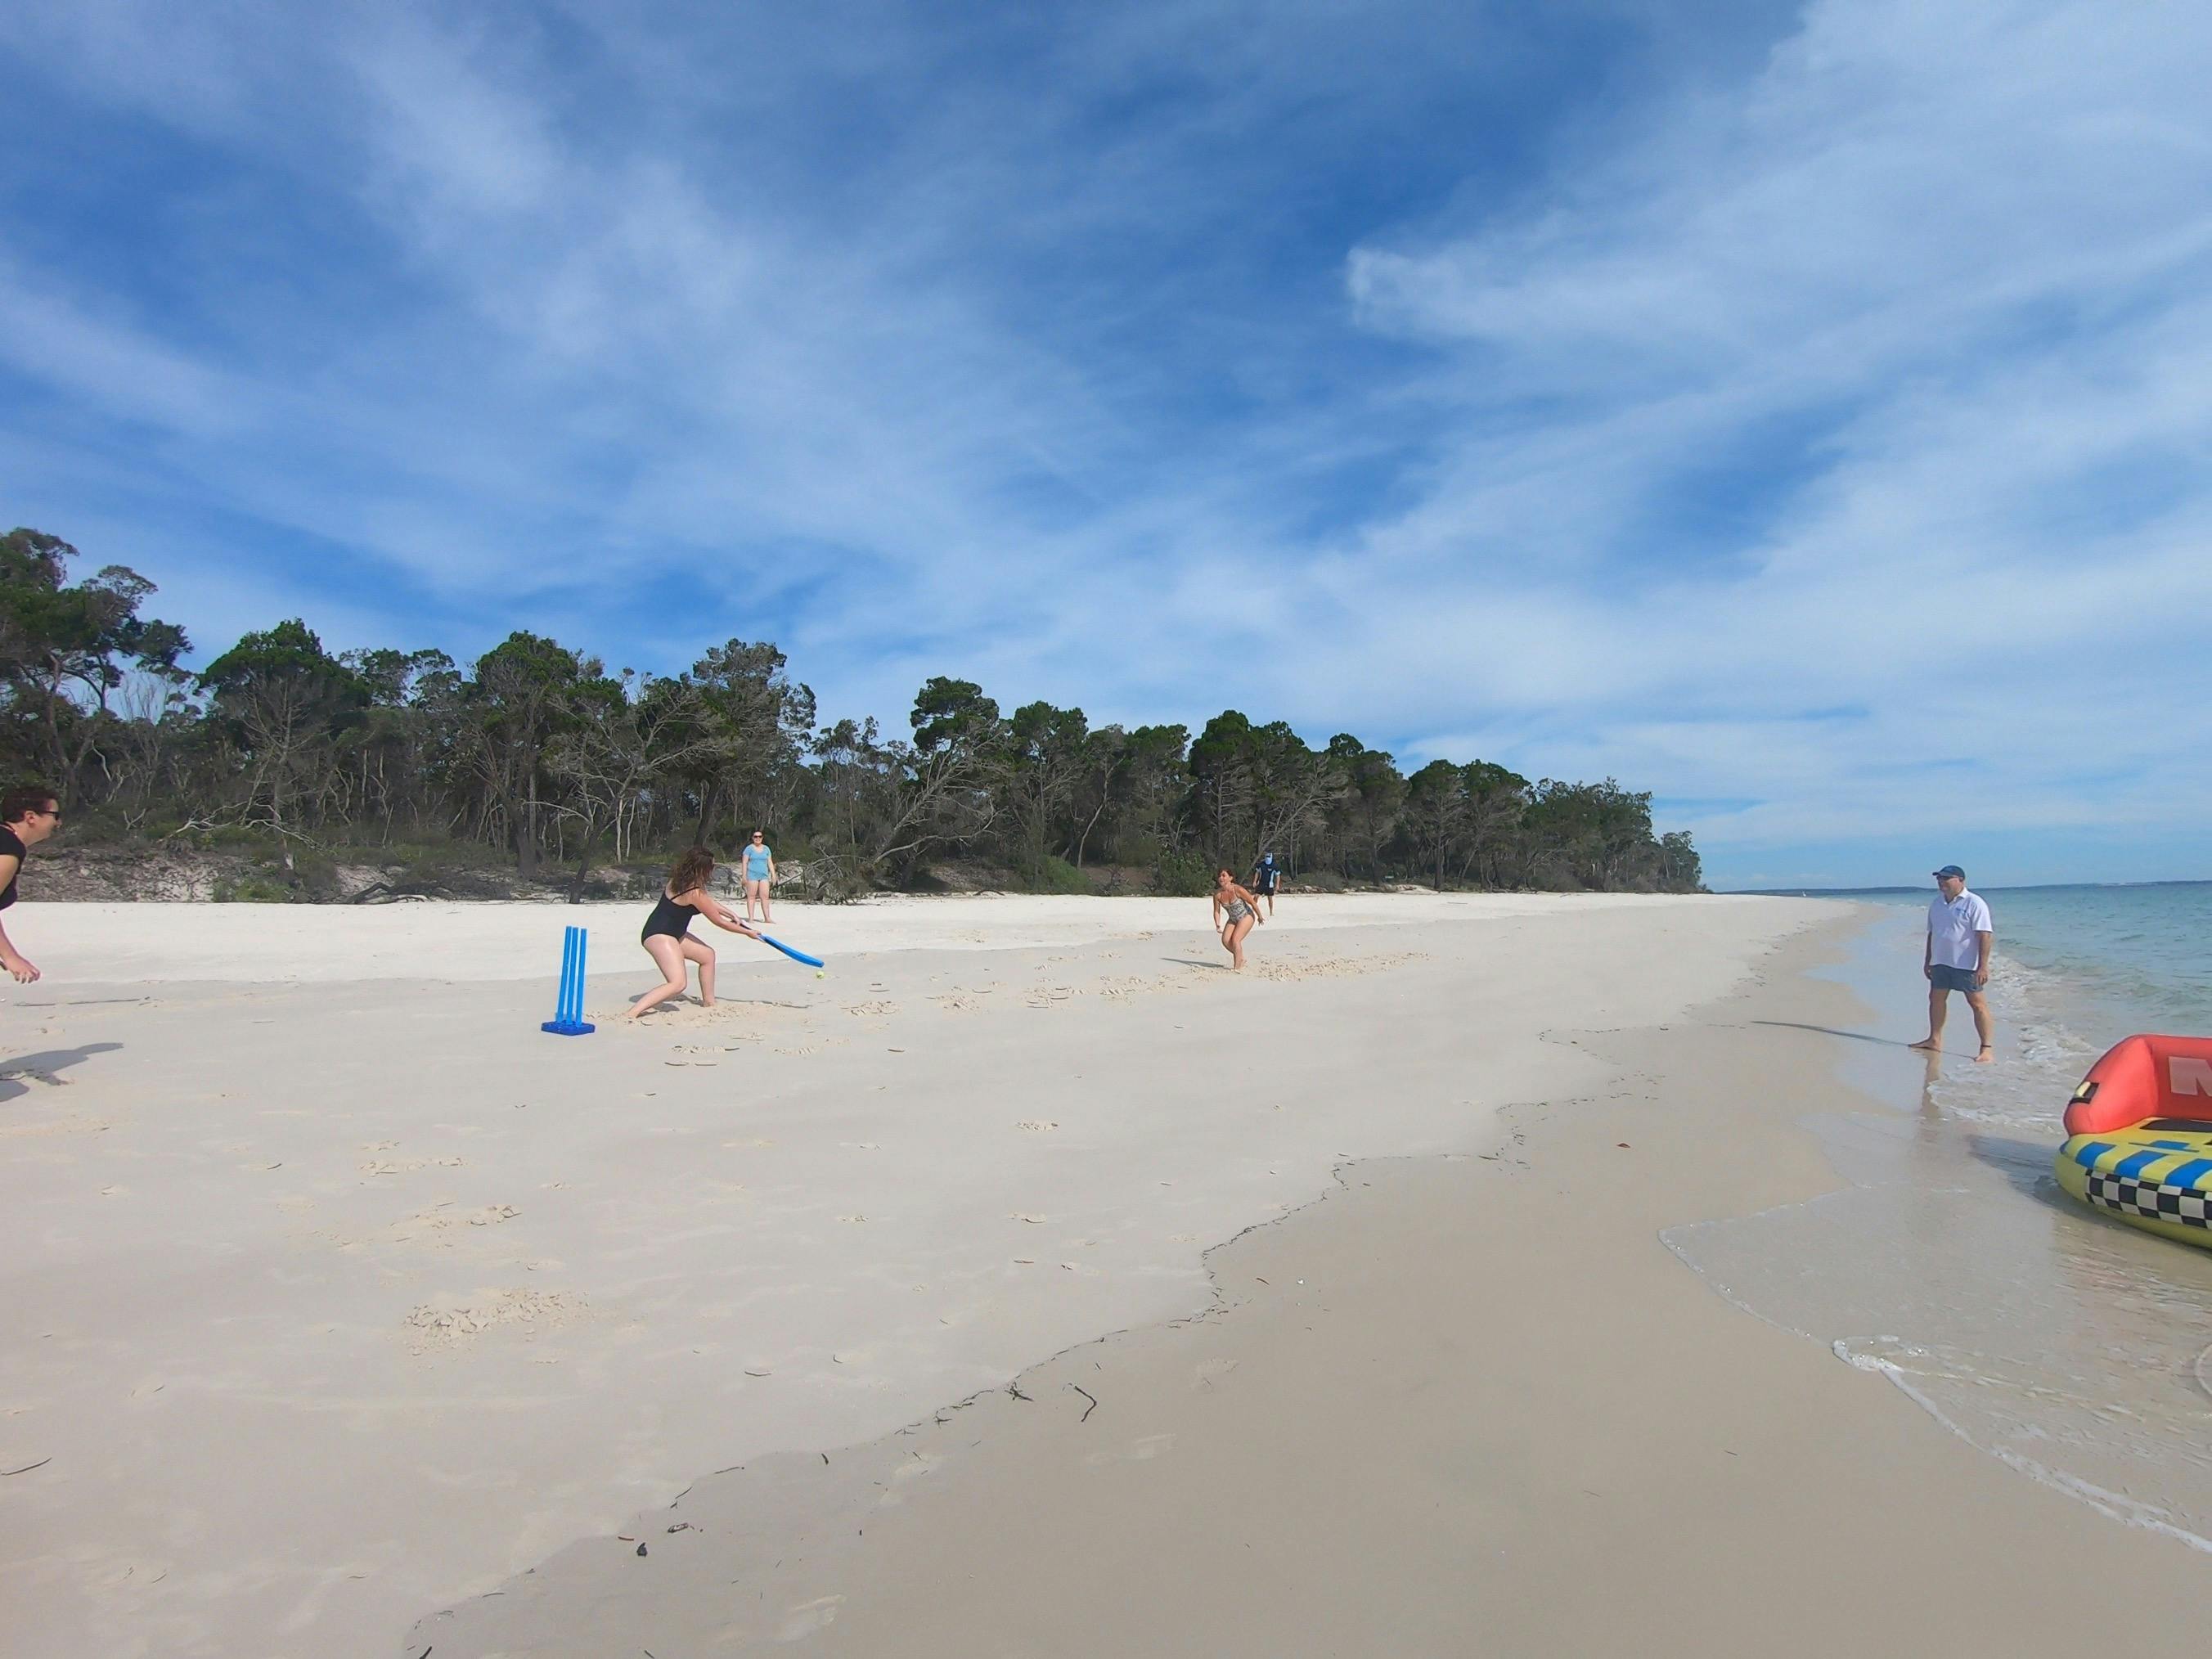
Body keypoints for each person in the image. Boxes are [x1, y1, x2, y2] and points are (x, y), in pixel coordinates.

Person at [627, 845, 760, 1021]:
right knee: (678, 984)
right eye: (712, 867)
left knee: (707, 955)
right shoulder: (693, 891)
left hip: (673, 933)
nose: (712, 870)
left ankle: (709, 1003)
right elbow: (718, 922)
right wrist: (747, 932)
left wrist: (730, 912)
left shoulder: (684, 881)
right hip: (659, 935)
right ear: (703, 869)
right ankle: (632, 1013)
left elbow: (708, 903)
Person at [1911, 864, 1994, 1063]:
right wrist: (1928, 960)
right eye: (1939, 879)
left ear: (1961, 880)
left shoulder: (1975, 903)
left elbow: (1985, 935)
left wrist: (1983, 966)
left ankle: (1986, 1048)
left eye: (1946, 878)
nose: (1942, 882)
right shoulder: (1937, 904)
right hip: (1941, 962)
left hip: (1967, 964)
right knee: (1936, 999)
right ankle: (1934, 1040)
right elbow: (1933, 934)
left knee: (1977, 1005)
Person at [0, 785, 61, 986]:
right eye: (55, 815)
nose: (58, 822)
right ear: (31, 817)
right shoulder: (8, 848)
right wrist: (11, 957)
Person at [1212, 866, 1265, 970]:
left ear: (1230, 878)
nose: (1221, 878)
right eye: (1219, 876)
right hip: (1233, 918)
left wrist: (1260, 916)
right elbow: (1216, 911)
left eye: (1224, 876)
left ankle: (1237, 967)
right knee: (1226, 941)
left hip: (1246, 916)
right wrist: (1218, 924)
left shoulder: (1238, 889)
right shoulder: (1217, 895)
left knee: (1236, 940)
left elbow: (1252, 902)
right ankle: (1240, 958)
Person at [740, 829, 776, 924]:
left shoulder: (766, 849)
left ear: (762, 838)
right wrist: (744, 876)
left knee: (765, 897)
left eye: (759, 836)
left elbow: (770, 862)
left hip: (764, 875)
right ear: (752, 838)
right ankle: (751, 918)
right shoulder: (749, 849)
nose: (757, 838)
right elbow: (744, 862)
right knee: (751, 897)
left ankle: (767, 918)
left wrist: (773, 874)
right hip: (752, 875)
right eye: (755, 837)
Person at [1249, 851, 1281, 918]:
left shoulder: (1274, 866)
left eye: (1269, 857)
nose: (1268, 859)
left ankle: (1271, 912)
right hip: (1261, 883)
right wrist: (1255, 881)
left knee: (1270, 899)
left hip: (1270, 884)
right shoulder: (1261, 864)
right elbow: (1257, 873)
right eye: (1267, 857)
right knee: (1256, 896)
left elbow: (1278, 876)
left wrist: (1277, 885)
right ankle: (1252, 910)